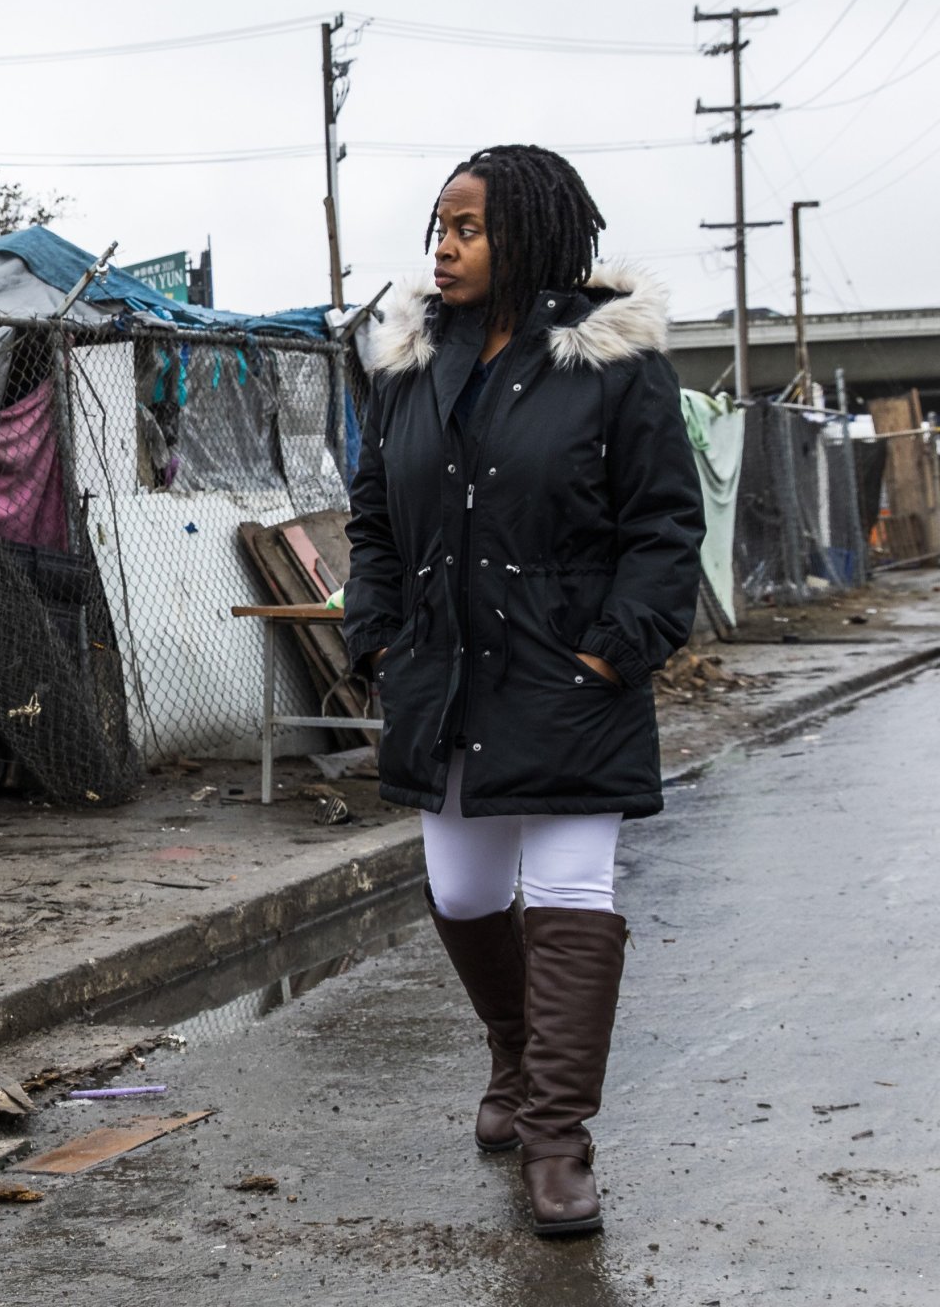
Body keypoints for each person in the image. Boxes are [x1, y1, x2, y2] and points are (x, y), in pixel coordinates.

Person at [343, 144, 704, 1237]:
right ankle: (512, 1050)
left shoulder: (611, 364)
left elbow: (661, 525)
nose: (442, 248)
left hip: (567, 674)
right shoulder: (406, 364)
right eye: (437, 229)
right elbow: (372, 519)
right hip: (444, 673)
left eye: (467, 228)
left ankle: (556, 1137)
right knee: (459, 892)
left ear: (529, 239)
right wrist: (378, 635)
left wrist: (617, 646)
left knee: (568, 893)